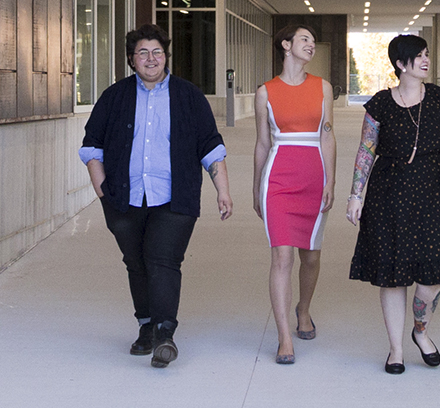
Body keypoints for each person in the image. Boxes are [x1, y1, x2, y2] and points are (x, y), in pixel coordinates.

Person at [79, 24, 234, 368]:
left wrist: (222, 189)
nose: (151, 59)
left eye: (157, 52)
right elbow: (92, 146)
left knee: (163, 261)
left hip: (174, 197)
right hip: (123, 197)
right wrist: (103, 191)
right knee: (136, 263)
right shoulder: (115, 96)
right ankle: (146, 326)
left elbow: (210, 145)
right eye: (143, 53)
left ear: (166, 56)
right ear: (132, 60)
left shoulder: (188, 95)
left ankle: (165, 333)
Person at [346, 34, 440, 374]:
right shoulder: (380, 104)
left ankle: (420, 329)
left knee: (432, 273)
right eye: (419, 56)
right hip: (387, 194)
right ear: (401, 64)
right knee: (392, 275)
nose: (426, 60)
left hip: (431, 191)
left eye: (427, 54)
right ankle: (396, 349)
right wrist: (356, 195)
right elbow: (366, 149)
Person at [253, 25, 336, 365]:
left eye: (314, 41)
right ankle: (285, 336)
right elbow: (262, 142)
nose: (311, 45)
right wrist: (256, 187)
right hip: (278, 180)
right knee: (282, 257)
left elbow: (328, 136)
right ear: (286, 45)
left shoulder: (323, 88)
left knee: (310, 257)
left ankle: (304, 308)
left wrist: (331, 180)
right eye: (304, 39)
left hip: (314, 177)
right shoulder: (265, 92)